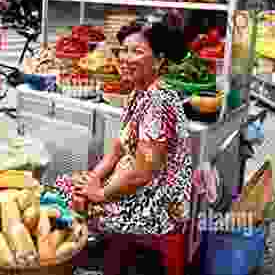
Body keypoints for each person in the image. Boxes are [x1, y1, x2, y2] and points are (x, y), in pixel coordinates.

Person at [63, 20, 195, 235]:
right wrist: (94, 177)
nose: (125, 58)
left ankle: (89, 250)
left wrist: (101, 194)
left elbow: (143, 174)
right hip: (132, 182)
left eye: (137, 51)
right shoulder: (137, 92)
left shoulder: (158, 103)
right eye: (124, 50)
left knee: (68, 198)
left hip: (157, 202)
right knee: (70, 186)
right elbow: (118, 148)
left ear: (159, 60)